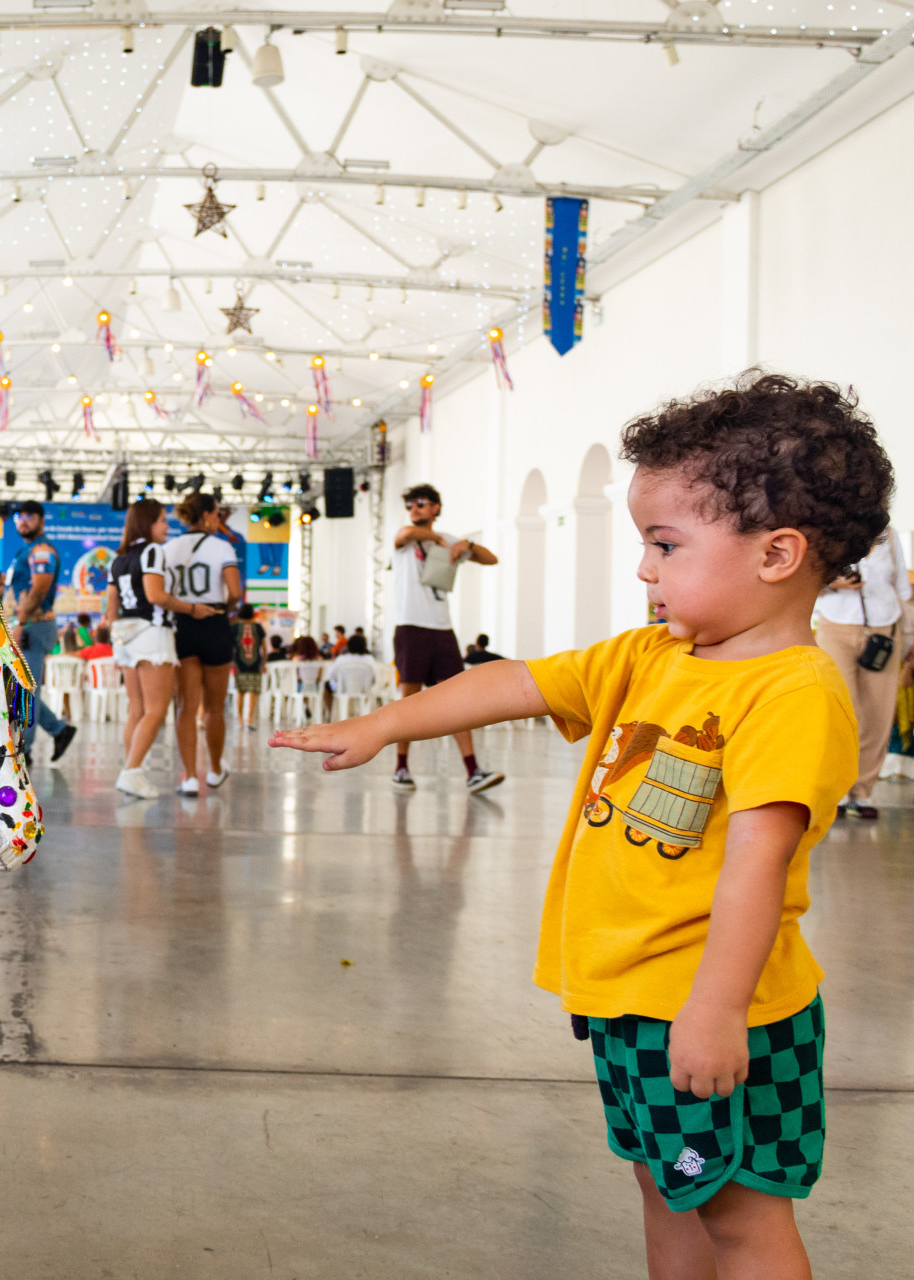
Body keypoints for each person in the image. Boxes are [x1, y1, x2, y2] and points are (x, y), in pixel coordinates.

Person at [275, 374, 887, 1280]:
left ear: (777, 554)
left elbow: (759, 862)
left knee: (741, 1215)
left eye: (666, 545)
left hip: (711, 1007)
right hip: (630, 1004)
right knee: (666, 1187)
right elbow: (516, 682)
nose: (644, 569)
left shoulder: (790, 692)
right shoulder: (652, 656)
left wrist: (715, 1011)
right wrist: (384, 724)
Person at [392, 483, 504, 794]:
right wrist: (440, 539)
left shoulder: (450, 541)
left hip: (442, 629)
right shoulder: (405, 539)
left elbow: (490, 558)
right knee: (409, 699)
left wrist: (465, 544)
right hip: (410, 626)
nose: (415, 509)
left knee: (456, 700)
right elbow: (405, 534)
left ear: (435, 508)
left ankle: (473, 771)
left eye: (421, 504)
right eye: (411, 505)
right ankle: (401, 767)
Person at [105, 498, 208, 797]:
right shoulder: (152, 551)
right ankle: (131, 772)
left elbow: (111, 606)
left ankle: (131, 771)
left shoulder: (118, 558)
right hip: (152, 634)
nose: (167, 526)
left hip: (125, 635)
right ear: (147, 523)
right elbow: (156, 595)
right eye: (163, 520)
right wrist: (192, 608)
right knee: (156, 710)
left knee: (137, 710)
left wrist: (118, 638)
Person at [813, 527, 909, 818]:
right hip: (835, 624)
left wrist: (911, 640)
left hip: (884, 628)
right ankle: (838, 792)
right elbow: (802, 581)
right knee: (841, 710)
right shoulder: (825, 529)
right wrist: (834, 583)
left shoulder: (889, 536)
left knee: (877, 713)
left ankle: (863, 792)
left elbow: (902, 591)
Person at [165, 492, 243, 794]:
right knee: (214, 707)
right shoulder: (221, 546)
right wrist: (227, 606)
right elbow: (234, 590)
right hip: (215, 623)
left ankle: (189, 776)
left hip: (182, 623)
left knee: (185, 706)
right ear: (210, 514)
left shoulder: (170, 547)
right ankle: (215, 769)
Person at [5, 501, 78, 761]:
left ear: (41, 520)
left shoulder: (42, 550)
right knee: (20, 689)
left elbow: (39, 589)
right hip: (27, 625)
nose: (23, 521)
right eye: (19, 516)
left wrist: (21, 621)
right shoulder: (26, 550)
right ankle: (59, 730)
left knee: (25, 690)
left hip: (34, 626)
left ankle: (26, 751)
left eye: (29, 516)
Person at [324, 632, 377, 719]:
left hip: (343, 690)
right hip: (363, 690)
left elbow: (331, 676)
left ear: (348, 646)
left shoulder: (342, 659)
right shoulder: (369, 659)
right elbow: (373, 679)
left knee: (326, 686)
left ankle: (330, 714)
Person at [233, 604, 268, 725]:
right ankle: (250, 718)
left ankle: (240, 719)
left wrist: (232, 663)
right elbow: (264, 648)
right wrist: (264, 663)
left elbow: (231, 648)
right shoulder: (258, 627)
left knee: (240, 691)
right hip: (256, 663)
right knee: (254, 691)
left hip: (239, 663)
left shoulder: (235, 627)